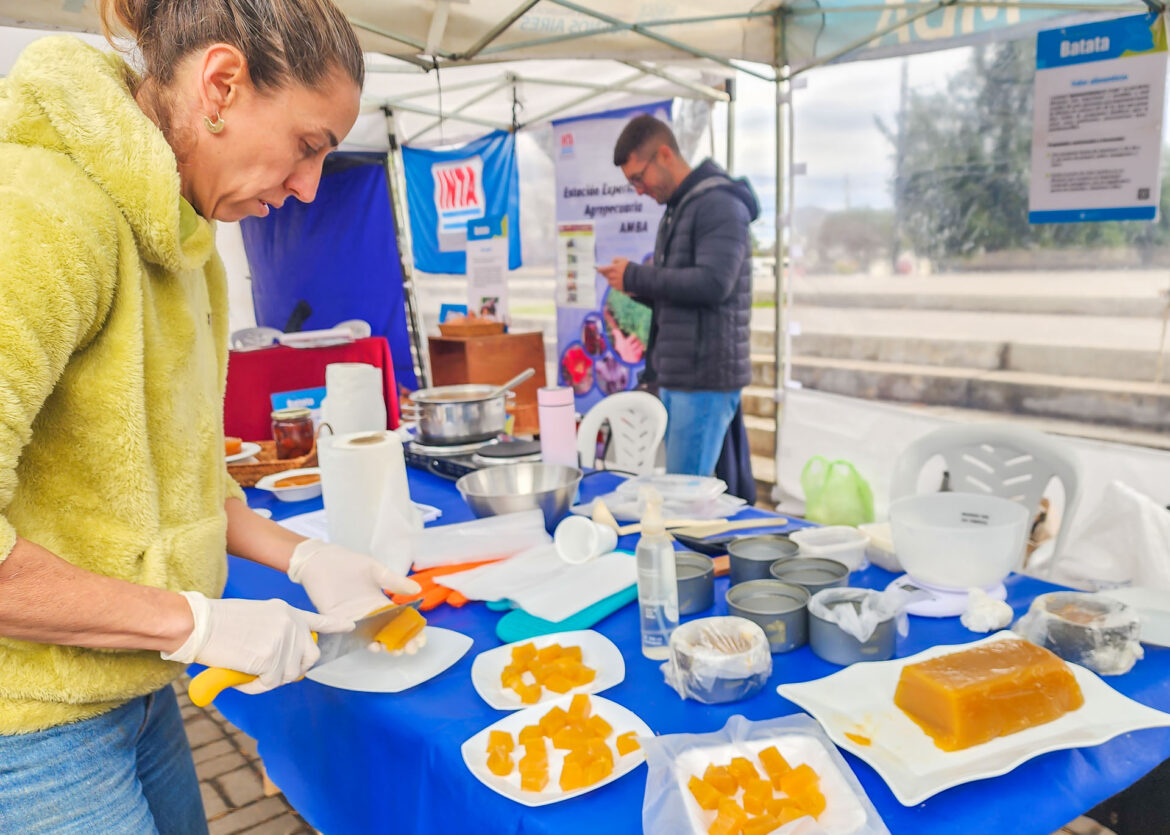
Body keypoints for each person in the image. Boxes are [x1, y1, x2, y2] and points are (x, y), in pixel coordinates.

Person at [0, 2, 420, 831]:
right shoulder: (37, 216)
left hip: (133, 686)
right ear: (221, 84)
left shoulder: (188, 243)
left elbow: (185, 471)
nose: (307, 189)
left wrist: (305, 556)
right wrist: (195, 621)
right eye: (308, 148)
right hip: (30, 721)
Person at [597, 115, 760, 476]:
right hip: (679, 375)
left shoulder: (719, 204)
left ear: (665, 155)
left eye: (639, 177)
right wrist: (633, 286)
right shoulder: (680, 209)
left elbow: (714, 284)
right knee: (686, 493)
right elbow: (680, 292)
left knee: (686, 496)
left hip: (702, 379)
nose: (639, 190)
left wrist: (639, 274)